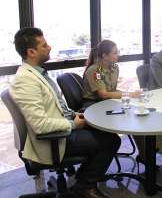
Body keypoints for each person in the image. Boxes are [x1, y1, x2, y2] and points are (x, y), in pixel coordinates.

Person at [10, 27, 119, 198]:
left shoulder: (38, 74)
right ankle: (85, 186)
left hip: (62, 126)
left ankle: (82, 177)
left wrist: (74, 115)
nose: (50, 47)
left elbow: (56, 106)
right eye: (44, 45)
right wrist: (73, 124)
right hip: (53, 140)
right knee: (110, 141)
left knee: (105, 132)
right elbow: (40, 125)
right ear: (31, 52)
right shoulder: (25, 80)